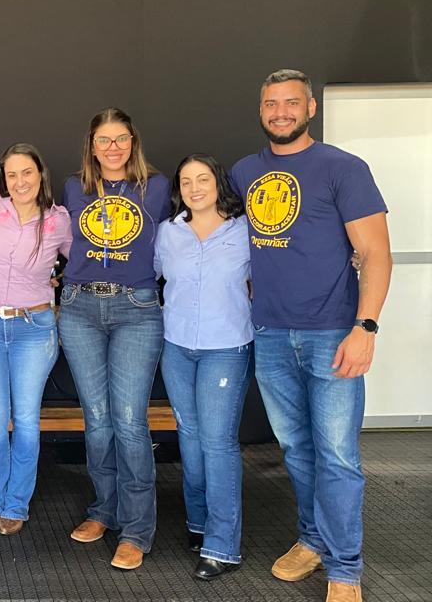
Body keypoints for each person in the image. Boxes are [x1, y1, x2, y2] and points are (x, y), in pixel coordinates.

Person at [230, 69, 391, 602]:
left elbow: (375, 253)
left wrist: (365, 326)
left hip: (332, 334)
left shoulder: (343, 168)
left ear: (310, 108)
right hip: (270, 334)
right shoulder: (244, 172)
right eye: (271, 103)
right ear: (260, 110)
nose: (281, 112)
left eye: (291, 102)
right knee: (297, 449)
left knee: (338, 455)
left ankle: (345, 569)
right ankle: (313, 539)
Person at [57, 107, 168, 571]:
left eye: (121, 138)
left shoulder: (156, 187)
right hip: (79, 307)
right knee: (98, 419)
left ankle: (137, 528)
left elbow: (182, 236)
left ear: (133, 142)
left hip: (136, 309)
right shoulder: (74, 187)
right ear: (92, 145)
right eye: (104, 139)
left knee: (129, 420)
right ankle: (105, 509)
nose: (113, 147)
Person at [154, 154, 252, 580]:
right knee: (190, 440)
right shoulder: (168, 232)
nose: (195, 188)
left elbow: (283, 268)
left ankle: (222, 545)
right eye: (186, 181)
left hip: (225, 348)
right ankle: (199, 523)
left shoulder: (244, 231)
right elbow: (149, 275)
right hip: (177, 347)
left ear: (218, 183)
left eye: (203, 179)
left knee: (217, 443)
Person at [0, 143, 71, 536]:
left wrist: (61, 277)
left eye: (27, 172)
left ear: (40, 173)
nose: (20, 181)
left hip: (33, 328)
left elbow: (83, 259)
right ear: (3, 179)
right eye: (12, 174)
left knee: (26, 419)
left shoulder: (59, 220)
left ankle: (16, 503)